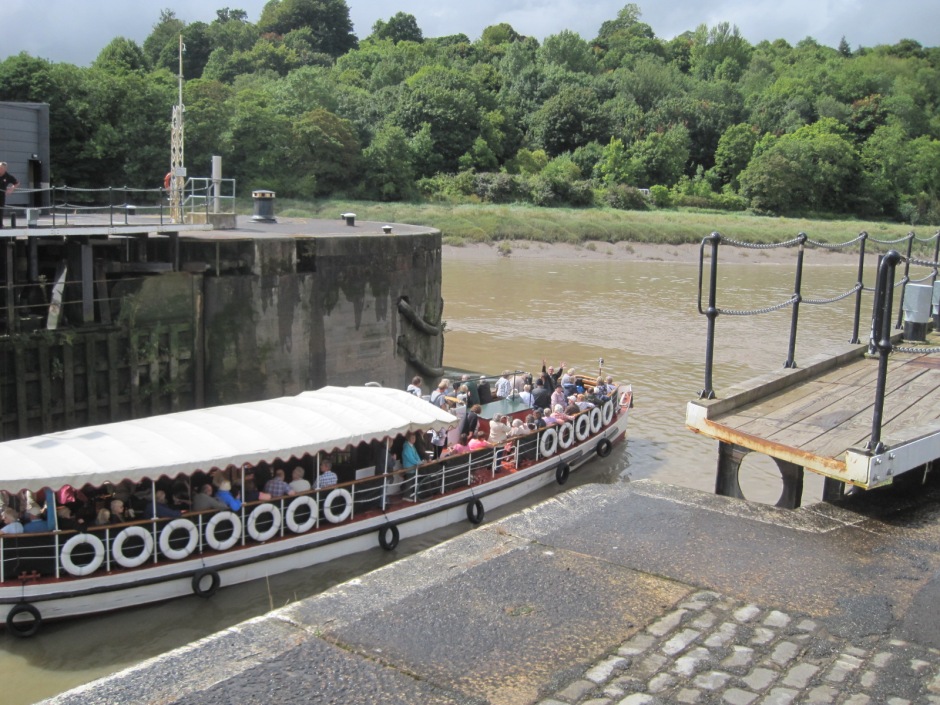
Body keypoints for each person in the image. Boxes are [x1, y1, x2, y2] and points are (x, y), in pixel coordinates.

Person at [0, 162, 20, 228]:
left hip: (1, 196)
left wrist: (11, 189)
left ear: (5, 169)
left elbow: (17, 183)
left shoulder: (7, 176)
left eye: (1, 168)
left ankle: (0, 225)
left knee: (0, 209)